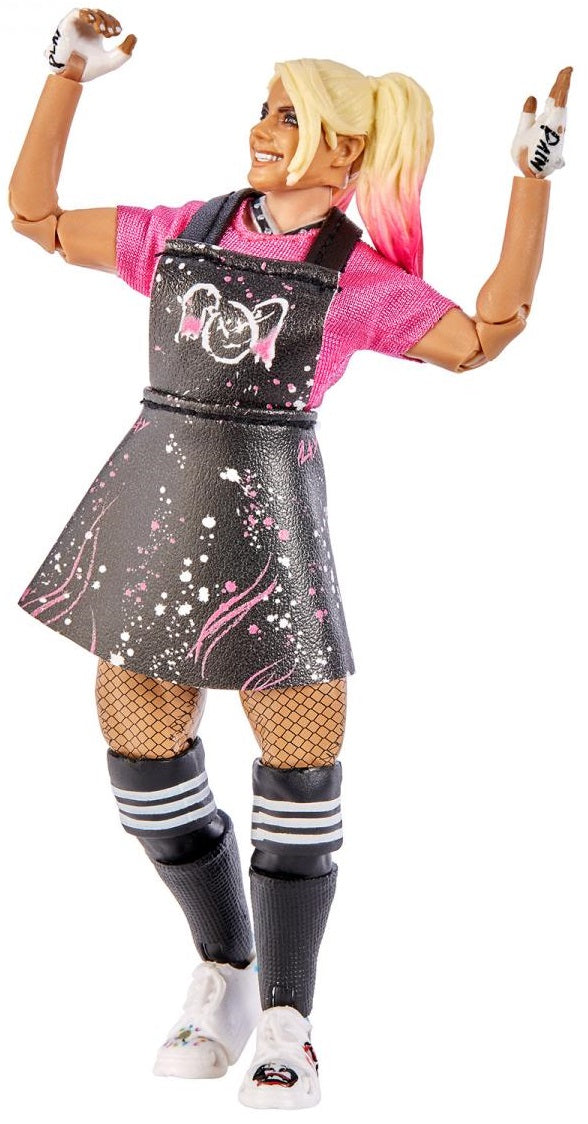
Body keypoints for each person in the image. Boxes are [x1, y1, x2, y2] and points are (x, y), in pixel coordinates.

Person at [9, 7, 571, 1110]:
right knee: (142, 768)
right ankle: (223, 966)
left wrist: (532, 181)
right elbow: (34, 215)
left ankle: (289, 1018)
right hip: (152, 517)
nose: (261, 130)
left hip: (270, 539)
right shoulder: (184, 230)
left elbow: (482, 336)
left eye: (287, 116)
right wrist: (66, 74)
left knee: (300, 775)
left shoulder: (354, 279)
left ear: (345, 150)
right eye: (264, 110)